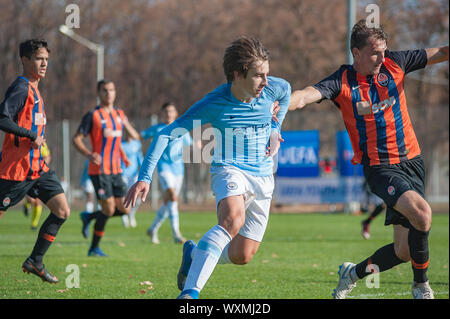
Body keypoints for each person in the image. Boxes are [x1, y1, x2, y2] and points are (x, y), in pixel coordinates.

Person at [289, 20, 448, 299]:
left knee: (403, 251)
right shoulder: (341, 81)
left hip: (413, 162)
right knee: (423, 214)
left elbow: (440, 52)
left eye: (384, 51)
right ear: (356, 53)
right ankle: (421, 285)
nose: (382, 58)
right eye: (375, 53)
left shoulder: (395, 64)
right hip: (381, 168)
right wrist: (279, 104)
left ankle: (352, 273)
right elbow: (305, 96)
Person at [124, 36, 290, 299]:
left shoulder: (272, 89)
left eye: (267, 74)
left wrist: (275, 127)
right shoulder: (213, 104)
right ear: (237, 74)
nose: (266, 82)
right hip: (229, 168)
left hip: (264, 175)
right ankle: (190, 294)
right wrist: (144, 177)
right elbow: (167, 134)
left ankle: (194, 254)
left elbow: (287, 90)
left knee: (242, 255)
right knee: (232, 219)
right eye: (259, 76)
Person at [0, 39, 70, 283]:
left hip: (38, 169)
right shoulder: (21, 87)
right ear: (25, 60)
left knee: (61, 210)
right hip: (16, 170)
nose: (44, 63)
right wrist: (30, 135)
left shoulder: (36, 89)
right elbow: (2, 118)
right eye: (39, 58)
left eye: (46, 59)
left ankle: (35, 261)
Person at [73, 79, 139, 257]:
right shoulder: (93, 115)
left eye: (111, 90)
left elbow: (134, 137)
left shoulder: (119, 114)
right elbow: (76, 139)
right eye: (105, 90)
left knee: (125, 209)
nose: (108, 93)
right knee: (109, 209)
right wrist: (89, 154)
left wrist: (124, 156)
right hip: (99, 171)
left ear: (115, 92)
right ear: (98, 93)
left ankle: (89, 216)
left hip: (117, 170)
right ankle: (94, 248)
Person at [141, 102, 193, 243]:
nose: (168, 114)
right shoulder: (158, 129)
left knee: (168, 201)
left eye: (171, 111)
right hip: (164, 169)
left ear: (176, 113)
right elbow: (140, 136)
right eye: (165, 112)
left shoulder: (182, 129)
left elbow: (190, 145)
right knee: (173, 197)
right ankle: (176, 234)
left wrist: (199, 146)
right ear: (162, 114)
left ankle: (153, 229)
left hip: (178, 170)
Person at [24, 141, 52, 230]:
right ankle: (27, 204)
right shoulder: (24, 139)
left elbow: (47, 156)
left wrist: (42, 168)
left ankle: (34, 224)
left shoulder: (41, 141)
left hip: (38, 175)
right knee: (31, 200)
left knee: (38, 201)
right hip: (26, 174)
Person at [120, 133, 143, 228]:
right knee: (124, 196)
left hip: (134, 174)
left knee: (138, 195)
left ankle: (131, 214)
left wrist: (144, 170)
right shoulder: (120, 143)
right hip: (122, 174)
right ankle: (124, 215)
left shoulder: (136, 143)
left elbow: (139, 158)